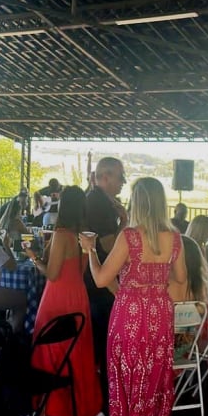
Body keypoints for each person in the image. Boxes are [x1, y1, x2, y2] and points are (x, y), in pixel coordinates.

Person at [80, 177, 185, 416]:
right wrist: (156, 296)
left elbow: (102, 279)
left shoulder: (130, 236)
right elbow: (181, 283)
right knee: (153, 380)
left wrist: (90, 251)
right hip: (159, 315)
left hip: (129, 316)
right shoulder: (175, 238)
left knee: (127, 378)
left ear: (136, 202)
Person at [25, 186, 107, 416]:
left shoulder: (61, 234)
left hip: (57, 297)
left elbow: (52, 273)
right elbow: (78, 270)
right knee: (78, 354)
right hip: (77, 296)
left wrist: (33, 257)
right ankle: (90, 409)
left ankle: (44, 411)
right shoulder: (83, 235)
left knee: (47, 350)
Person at [85, 157, 127, 388]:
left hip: (98, 278)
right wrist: (125, 222)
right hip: (98, 281)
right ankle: (102, 391)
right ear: (105, 177)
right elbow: (112, 249)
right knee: (102, 336)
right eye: (121, 177)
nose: (123, 183)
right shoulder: (99, 204)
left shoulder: (99, 200)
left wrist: (123, 220)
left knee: (101, 336)